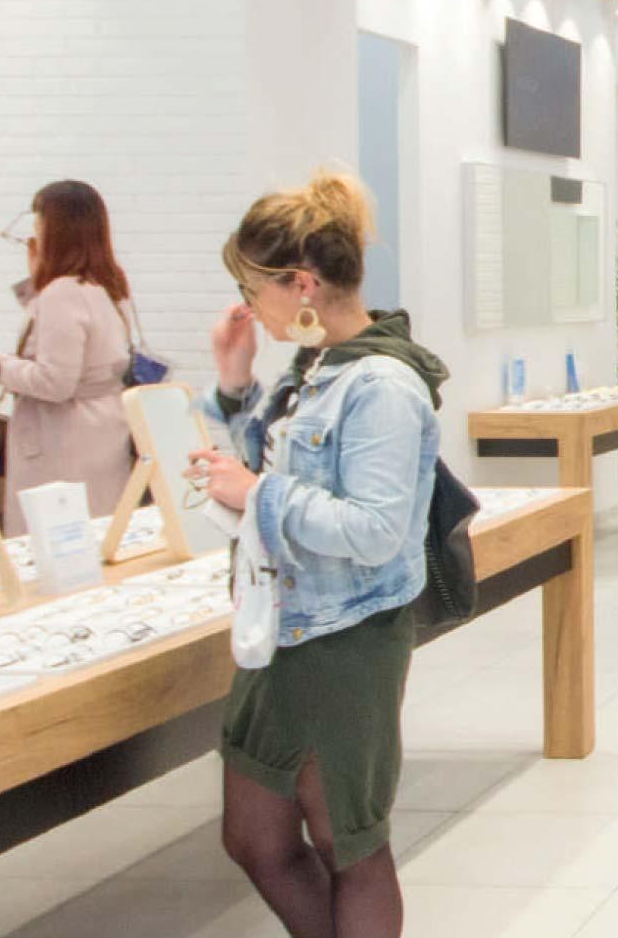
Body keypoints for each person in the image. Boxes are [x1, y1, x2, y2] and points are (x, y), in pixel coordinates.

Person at [193, 171, 444, 938]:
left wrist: (258, 494)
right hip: (285, 627)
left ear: (301, 283)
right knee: (255, 836)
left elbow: (374, 530)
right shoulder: (316, 367)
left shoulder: (382, 384)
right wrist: (235, 387)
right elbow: (263, 471)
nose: (253, 308)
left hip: (345, 641)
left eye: (255, 288)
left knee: (348, 843)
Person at [0, 181, 135, 536]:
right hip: (103, 432)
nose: (34, 233)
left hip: (62, 440)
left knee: (55, 546)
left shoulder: (62, 294)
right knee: (97, 535)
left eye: (39, 224)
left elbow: (54, 382)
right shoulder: (107, 286)